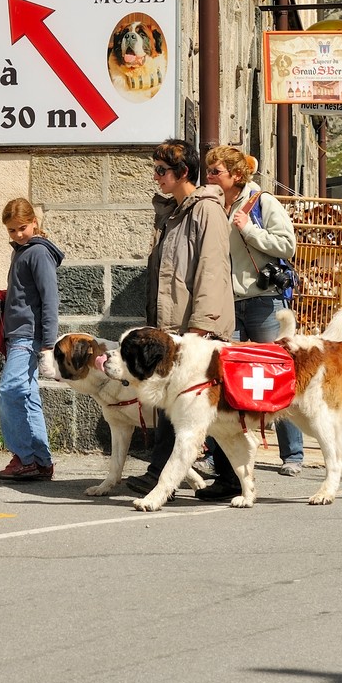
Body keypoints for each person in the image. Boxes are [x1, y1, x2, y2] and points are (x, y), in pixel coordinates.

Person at [125, 139, 235, 499]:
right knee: (196, 407)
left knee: (192, 405)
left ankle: (162, 476)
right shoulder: (173, 213)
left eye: (162, 170)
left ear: (183, 172)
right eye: (155, 169)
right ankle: (229, 479)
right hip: (174, 326)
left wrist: (200, 328)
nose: (156, 177)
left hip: (197, 328)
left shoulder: (206, 211)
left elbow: (212, 271)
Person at [203, 145, 306, 484]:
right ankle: (221, 457)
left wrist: (249, 229)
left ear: (236, 175)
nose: (209, 176)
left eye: (215, 171)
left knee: (280, 373)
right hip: (227, 304)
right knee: (223, 379)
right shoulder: (213, 205)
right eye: (208, 170)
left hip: (264, 301)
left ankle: (292, 454)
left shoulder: (262, 202)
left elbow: (287, 245)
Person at [0, 198, 65, 481]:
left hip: (28, 336)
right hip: (18, 334)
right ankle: (41, 461)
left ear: (34, 222)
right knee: (27, 396)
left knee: (10, 390)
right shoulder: (22, 252)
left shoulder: (38, 253)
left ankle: (24, 457)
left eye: (22, 227)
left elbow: (50, 300)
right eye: (11, 230)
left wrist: (48, 343)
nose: (17, 234)